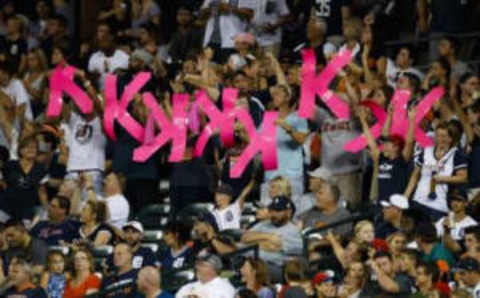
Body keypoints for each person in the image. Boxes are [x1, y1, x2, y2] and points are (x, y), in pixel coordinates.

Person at [405, 122, 468, 221]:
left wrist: (443, 178)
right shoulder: (426, 151)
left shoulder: (456, 155)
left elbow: (463, 177)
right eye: (437, 135)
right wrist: (406, 196)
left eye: (443, 136)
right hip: (418, 201)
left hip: (439, 207)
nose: (440, 139)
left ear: (450, 138)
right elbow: (415, 176)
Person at [242, 196, 303, 282]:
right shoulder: (264, 223)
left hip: (274, 267)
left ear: (288, 212)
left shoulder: (293, 230)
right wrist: (268, 237)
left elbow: (275, 246)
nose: (273, 214)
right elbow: (244, 238)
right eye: (272, 210)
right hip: (249, 259)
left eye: (278, 211)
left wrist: (254, 241)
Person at [2, 136, 46, 220]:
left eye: (34, 147)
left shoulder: (41, 168)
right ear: (20, 150)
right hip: (5, 206)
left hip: (27, 210)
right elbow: (2, 181)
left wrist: (45, 210)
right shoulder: (10, 165)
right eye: (27, 147)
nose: (31, 149)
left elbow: (42, 190)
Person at [87, 22, 129, 90]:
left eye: (105, 33)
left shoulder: (124, 58)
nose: (102, 36)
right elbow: (90, 83)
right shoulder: (94, 57)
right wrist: (92, 78)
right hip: (98, 96)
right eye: (99, 33)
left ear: (112, 37)